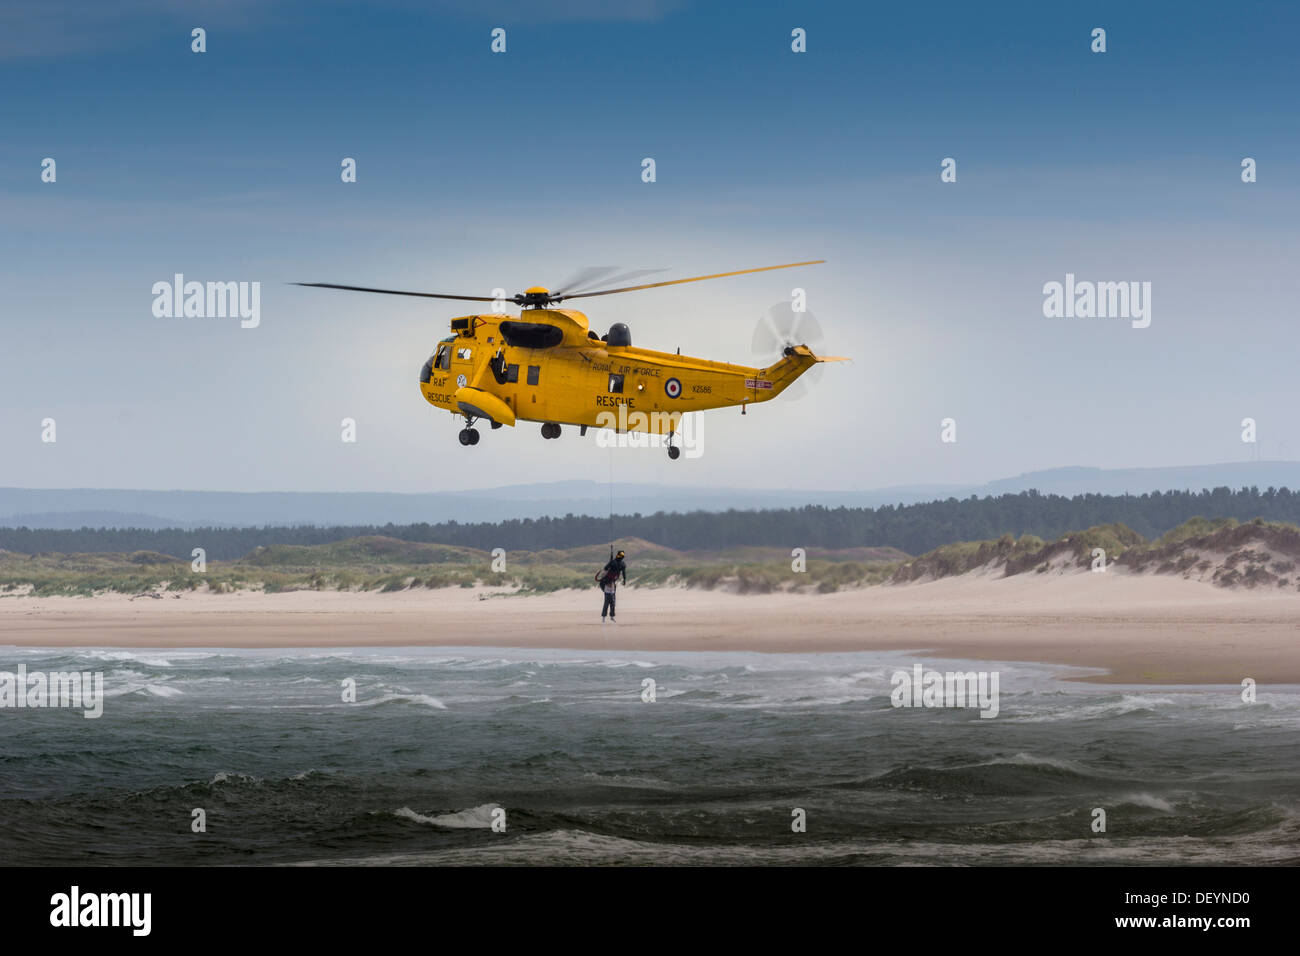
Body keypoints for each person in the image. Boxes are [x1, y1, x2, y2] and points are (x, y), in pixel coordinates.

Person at [597, 550, 627, 623]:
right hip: (606, 583)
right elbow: (606, 569)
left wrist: (624, 579)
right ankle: (605, 617)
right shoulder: (619, 563)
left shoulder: (615, 562)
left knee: (612, 601)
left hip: (610, 583)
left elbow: (605, 568)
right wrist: (624, 580)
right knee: (609, 601)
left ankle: (610, 616)